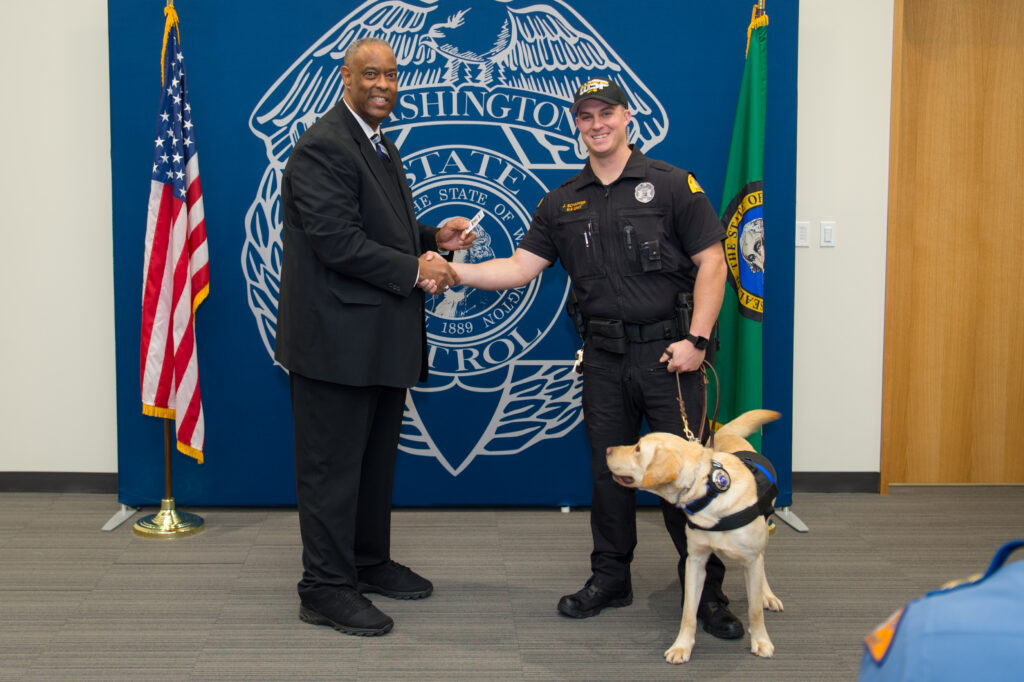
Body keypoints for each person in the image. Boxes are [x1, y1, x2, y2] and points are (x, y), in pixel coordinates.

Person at [448, 77, 743, 638]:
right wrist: (450, 271)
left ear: (627, 117)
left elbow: (713, 263)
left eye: (607, 113)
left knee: (692, 478)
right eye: (586, 116)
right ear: (577, 125)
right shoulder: (562, 202)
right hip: (603, 360)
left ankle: (707, 595)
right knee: (609, 477)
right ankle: (611, 579)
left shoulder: (673, 184)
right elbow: (517, 268)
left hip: (671, 357)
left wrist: (697, 341)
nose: (597, 124)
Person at [275, 37, 474, 637]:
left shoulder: (378, 144)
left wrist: (433, 236)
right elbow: (337, 241)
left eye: (391, 74)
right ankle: (325, 587)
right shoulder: (322, 147)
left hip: (378, 342)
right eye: (370, 75)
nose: (383, 84)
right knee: (332, 469)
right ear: (346, 78)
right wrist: (418, 269)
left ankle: (364, 562)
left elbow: (377, 224)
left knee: (372, 466)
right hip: (335, 345)